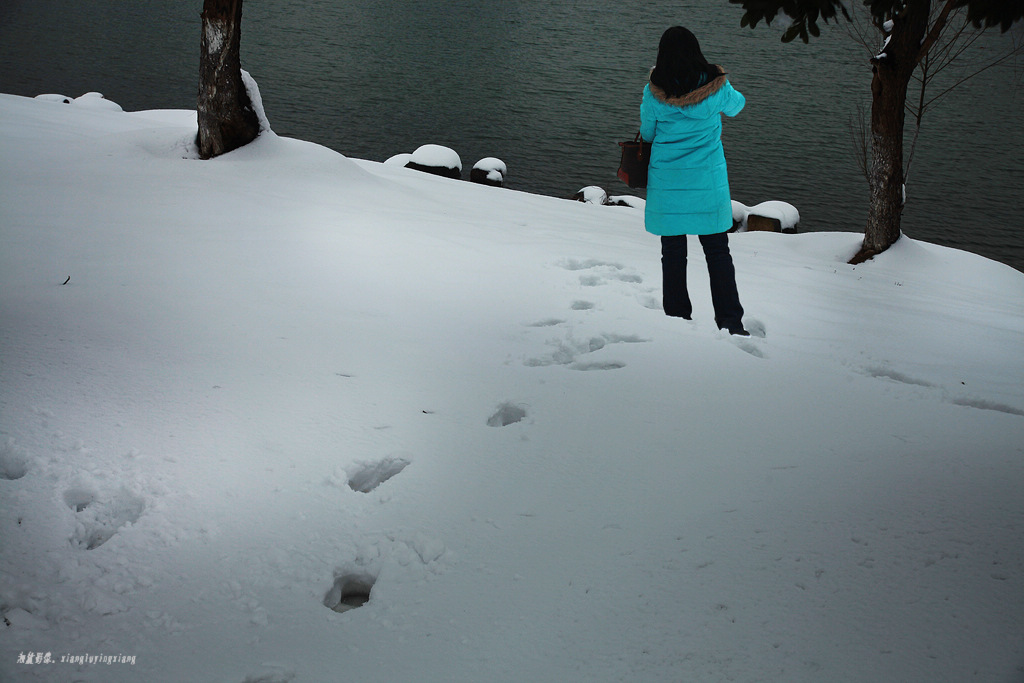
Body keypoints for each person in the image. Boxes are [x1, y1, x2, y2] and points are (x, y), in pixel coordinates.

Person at [640, 26, 748, 336]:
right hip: (706, 181)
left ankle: (677, 319)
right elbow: (737, 106)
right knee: (717, 252)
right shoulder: (717, 87)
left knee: (673, 253)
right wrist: (720, 81)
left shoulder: (654, 89)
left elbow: (647, 132)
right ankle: (730, 321)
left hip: (668, 181)